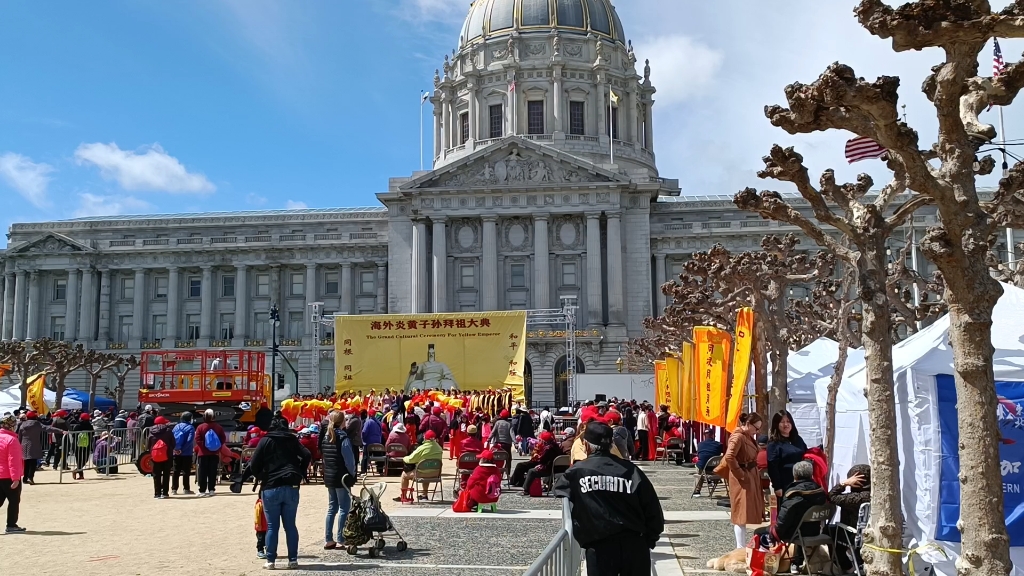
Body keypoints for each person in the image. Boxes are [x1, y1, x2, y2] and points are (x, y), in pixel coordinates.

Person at [554, 422, 664, 576]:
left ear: (586, 444)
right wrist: (650, 539)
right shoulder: (631, 470)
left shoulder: (577, 472)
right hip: (634, 544)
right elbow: (652, 508)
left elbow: (560, 490)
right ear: (611, 444)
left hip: (599, 546)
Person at [245, 417, 311, 570]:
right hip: (291, 485)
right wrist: (300, 471)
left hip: (271, 486)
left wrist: (262, 476)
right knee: (290, 526)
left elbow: (253, 464)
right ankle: (293, 559)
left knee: (272, 527)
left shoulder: (265, 440)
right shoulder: (292, 439)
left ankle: (270, 561)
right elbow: (306, 454)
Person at [754, 460, 826, 571]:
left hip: (796, 533)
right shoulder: (819, 491)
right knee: (800, 526)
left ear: (795, 475)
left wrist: (775, 531)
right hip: (815, 530)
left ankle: (765, 565)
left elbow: (783, 521)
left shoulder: (793, 494)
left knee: (759, 532)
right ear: (811, 474)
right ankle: (796, 563)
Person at [723, 412, 765, 549]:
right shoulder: (738, 436)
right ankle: (740, 547)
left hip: (748, 474)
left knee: (745, 512)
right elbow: (729, 456)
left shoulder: (746, 436)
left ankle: (741, 546)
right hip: (742, 477)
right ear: (748, 424)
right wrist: (740, 474)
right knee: (741, 513)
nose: (757, 431)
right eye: (756, 428)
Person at [320, 410, 356, 550]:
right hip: (342, 476)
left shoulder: (326, 436)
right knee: (344, 508)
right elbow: (349, 461)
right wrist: (352, 474)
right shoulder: (343, 437)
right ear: (342, 422)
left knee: (331, 508)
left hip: (329, 474)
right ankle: (341, 538)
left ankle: (328, 539)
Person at [825, 464, 871, 572]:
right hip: (871, 534)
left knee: (829, 530)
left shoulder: (853, 499)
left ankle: (845, 566)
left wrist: (843, 483)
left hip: (853, 535)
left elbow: (831, 496)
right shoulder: (876, 495)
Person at [766, 410, 808, 500]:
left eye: (788, 421)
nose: (786, 424)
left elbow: (806, 453)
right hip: (786, 485)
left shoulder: (797, 439)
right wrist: (777, 487)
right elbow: (772, 466)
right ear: (777, 424)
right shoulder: (774, 444)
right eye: (782, 422)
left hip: (801, 484)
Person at [397, 430, 443, 502]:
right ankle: (424, 495)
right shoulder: (439, 448)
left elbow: (411, 459)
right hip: (435, 473)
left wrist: (404, 458)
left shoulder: (422, 448)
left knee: (404, 475)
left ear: (425, 438)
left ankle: (404, 496)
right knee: (427, 469)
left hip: (421, 473)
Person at [0, 414, 26, 533]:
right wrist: (15, 478)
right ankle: (11, 524)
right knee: (14, 501)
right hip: (8, 476)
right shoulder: (12, 440)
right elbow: (13, 461)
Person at [195, 409, 227, 497]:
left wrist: (204, 447)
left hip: (203, 453)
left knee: (202, 472)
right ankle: (211, 489)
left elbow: (197, 439)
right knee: (212, 471)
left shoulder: (200, 427)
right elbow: (223, 438)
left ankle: (202, 490)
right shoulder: (218, 427)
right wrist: (217, 447)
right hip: (215, 453)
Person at [520, 431, 563, 496]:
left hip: (548, 469)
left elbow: (542, 460)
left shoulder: (548, 449)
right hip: (556, 468)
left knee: (531, 471)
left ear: (544, 440)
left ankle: (526, 490)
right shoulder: (555, 446)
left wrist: (537, 457)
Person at [15, 411, 48, 485]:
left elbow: (19, 436)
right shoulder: (36, 423)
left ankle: (25, 478)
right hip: (33, 445)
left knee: (26, 463)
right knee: (33, 462)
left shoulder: (22, 424)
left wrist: (18, 445)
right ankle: (30, 477)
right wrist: (61, 431)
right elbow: (47, 428)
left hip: (24, 445)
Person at [147, 416, 175, 499]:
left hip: (155, 455)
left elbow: (148, 443)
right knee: (166, 474)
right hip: (167, 455)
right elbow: (173, 443)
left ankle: (157, 493)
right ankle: (165, 492)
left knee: (156, 474)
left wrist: (151, 451)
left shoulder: (151, 430)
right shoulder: (168, 430)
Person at [691, 429, 725, 497]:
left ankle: (697, 490)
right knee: (704, 465)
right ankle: (713, 481)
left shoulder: (700, 444)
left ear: (704, 436)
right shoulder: (719, 445)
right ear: (713, 435)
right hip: (715, 469)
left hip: (703, 468)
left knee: (699, 467)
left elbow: (700, 455)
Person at [171, 412, 195, 495]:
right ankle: (186, 488)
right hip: (187, 453)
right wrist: (183, 449)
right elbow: (189, 440)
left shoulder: (176, 426)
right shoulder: (190, 427)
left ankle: (174, 489)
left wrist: (176, 449)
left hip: (175, 452)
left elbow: (172, 438)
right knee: (186, 471)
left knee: (176, 471)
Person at [488, 410, 514, 476]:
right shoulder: (509, 424)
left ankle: (496, 472)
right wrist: (516, 442)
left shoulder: (497, 423)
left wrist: (488, 439)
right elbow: (512, 434)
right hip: (507, 444)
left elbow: (493, 432)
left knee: (496, 458)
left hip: (498, 444)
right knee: (508, 459)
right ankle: (507, 473)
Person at [70, 412, 94, 480]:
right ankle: (81, 474)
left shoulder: (79, 426)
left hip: (80, 445)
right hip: (84, 445)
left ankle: (77, 470)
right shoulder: (83, 426)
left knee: (80, 460)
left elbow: (73, 435)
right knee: (84, 459)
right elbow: (92, 434)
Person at [360, 409, 383, 475]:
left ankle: (363, 471)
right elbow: (380, 432)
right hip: (378, 442)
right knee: (379, 457)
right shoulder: (379, 422)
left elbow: (364, 432)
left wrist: (363, 440)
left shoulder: (368, 422)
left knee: (365, 456)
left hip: (368, 443)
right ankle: (380, 470)